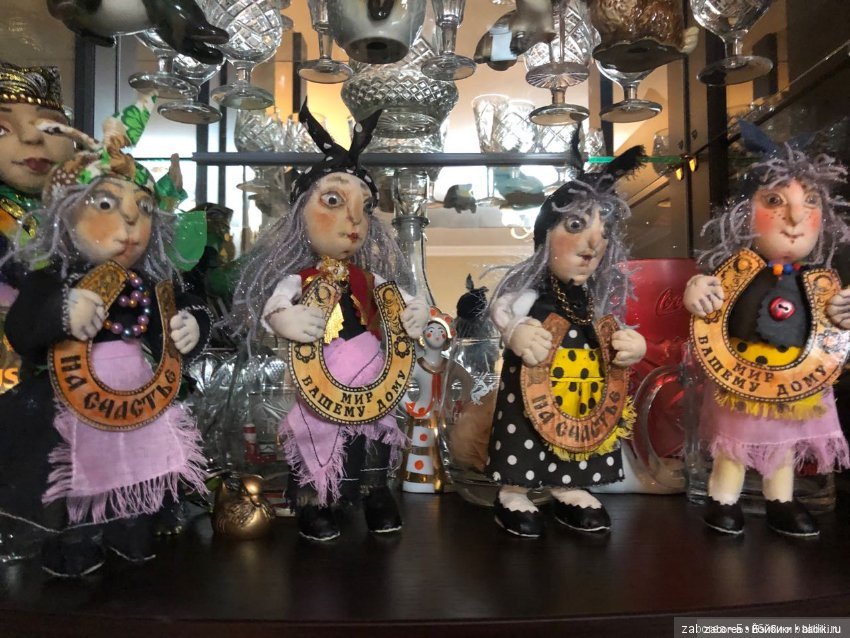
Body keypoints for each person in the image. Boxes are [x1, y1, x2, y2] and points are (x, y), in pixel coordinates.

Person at [0, 92, 211, 576]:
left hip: (140, 399)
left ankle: (131, 525)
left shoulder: (151, 282)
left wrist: (193, 325)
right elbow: (22, 330)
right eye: (106, 204)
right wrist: (61, 312)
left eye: (143, 207)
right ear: (67, 214)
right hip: (73, 402)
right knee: (81, 471)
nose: (131, 223)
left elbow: (182, 311)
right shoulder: (54, 277)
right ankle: (78, 537)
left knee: (139, 467)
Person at [228, 102, 429, 541]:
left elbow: (407, 301)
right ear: (301, 212)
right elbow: (275, 308)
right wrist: (284, 319)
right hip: (318, 381)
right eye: (334, 201)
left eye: (364, 206)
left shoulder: (370, 279)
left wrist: (416, 312)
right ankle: (315, 500)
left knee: (374, 435)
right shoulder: (298, 279)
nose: (354, 219)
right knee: (318, 435)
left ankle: (375, 491)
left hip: (374, 381)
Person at [684, 121, 850, 537]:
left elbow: (832, 334)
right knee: (734, 443)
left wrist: (842, 313)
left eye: (809, 201)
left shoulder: (819, 282)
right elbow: (709, 307)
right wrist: (696, 288)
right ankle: (723, 499)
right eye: (775, 201)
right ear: (744, 213)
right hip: (741, 375)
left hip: (797, 381)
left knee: (784, 444)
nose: (795, 217)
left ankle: (781, 502)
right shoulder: (736, 272)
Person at [486, 144, 647, 538]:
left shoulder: (593, 301)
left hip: (579, 392)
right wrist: (514, 330)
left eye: (603, 233)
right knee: (523, 427)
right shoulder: (532, 292)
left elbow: (613, 329)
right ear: (546, 234)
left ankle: (568, 485)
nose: (592, 244)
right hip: (532, 388)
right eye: (576, 226)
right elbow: (502, 308)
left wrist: (632, 345)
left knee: (579, 429)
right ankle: (513, 490)